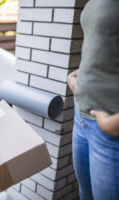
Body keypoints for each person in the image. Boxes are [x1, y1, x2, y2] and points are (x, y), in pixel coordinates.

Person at [67, 0, 119, 199]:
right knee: (85, 193)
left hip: (110, 129)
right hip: (82, 118)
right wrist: (78, 79)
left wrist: (114, 124)